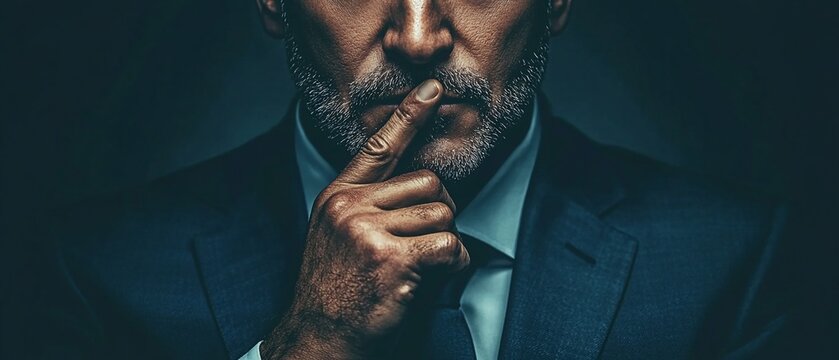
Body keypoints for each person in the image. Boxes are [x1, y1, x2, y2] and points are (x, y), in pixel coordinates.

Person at [22, 0, 804, 359]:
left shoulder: (734, 264)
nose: (419, 38)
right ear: (272, 3)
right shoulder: (95, 274)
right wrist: (310, 348)